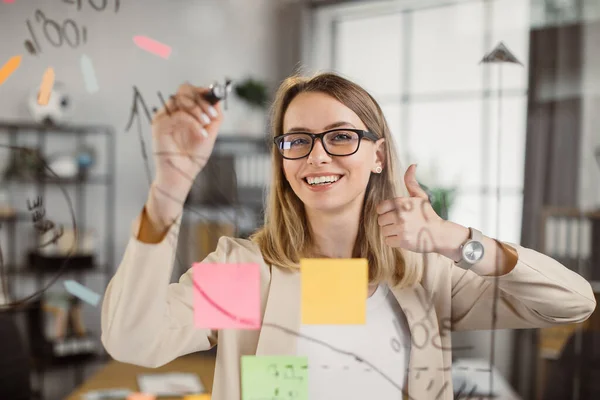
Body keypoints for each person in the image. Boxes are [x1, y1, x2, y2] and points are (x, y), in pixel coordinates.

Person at [101, 72, 596, 400]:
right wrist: (169, 189)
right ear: (283, 157)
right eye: (297, 141)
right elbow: (134, 340)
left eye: (340, 136)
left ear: (378, 155)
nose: (317, 157)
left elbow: (571, 303)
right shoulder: (251, 276)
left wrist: (456, 240)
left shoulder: (422, 276)